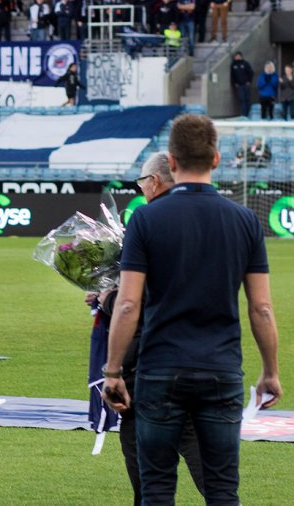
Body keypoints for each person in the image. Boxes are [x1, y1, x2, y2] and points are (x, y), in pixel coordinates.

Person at [103, 115, 282, 505]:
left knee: (156, 490)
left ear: (172, 160)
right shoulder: (246, 220)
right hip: (221, 369)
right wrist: (270, 371)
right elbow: (262, 308)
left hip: (159, 371)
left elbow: (128, 303)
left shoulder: (146, 219)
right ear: (216, 159)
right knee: (222, 490)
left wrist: (113, 371)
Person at [96, 153, 202, 503]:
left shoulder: (146, 219)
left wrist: (106, 299)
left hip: (150, 356)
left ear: (154, 181)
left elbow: (135, 301)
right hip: (203, 352)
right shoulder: (212, 216)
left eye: (142, 183)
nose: (142, 189)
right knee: (196, 441)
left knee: (141, 446)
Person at [230, 52, 254, 118]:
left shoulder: (245, 63)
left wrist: (249, 81)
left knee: (247, 99)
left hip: (246, 84)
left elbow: (251, 73)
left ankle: (249, 114)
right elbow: (232, 75)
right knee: (241, 99)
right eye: (236, 56)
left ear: (241, 56)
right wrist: (235, 83)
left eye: (238, 56)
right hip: (239, 86)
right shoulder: (233, 65)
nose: (237, 57)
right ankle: (244, 114)